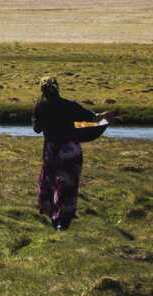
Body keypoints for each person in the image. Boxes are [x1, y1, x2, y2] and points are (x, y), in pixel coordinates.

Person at [32, 76, 112, 230]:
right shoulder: (69, 105)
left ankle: (54, 218)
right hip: (70, 149)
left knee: (51, 182)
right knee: (67, 184)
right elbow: (92, 118)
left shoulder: (41, 106)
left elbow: (37, 129)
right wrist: (104, 119)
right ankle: (64, 220)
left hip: (52, 151)